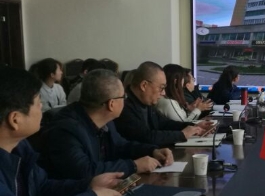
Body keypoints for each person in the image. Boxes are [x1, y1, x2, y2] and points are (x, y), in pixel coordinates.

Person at [0, 67, 122, 196]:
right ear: (15, 119)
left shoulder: (20, 147)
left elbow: (42, 188)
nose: (42, 107)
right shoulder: (65, 128)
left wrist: (88, 185)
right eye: (38, 102)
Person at [40, 69, 174, 179]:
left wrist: (152, 150)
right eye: (124, 97)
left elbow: (121, 145)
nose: (125, 101)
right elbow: (84, 171)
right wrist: (133, 166)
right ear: (111, 104)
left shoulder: (105, 121)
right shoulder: (66, 130)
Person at [114, 61, 209, 146]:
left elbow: (164, 123)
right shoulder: (124, 106)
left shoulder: (145, 102)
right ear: (144, 85)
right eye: (161, 88)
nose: (163, 93)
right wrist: (182, 134)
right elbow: (146, 137)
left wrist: (193, 126)